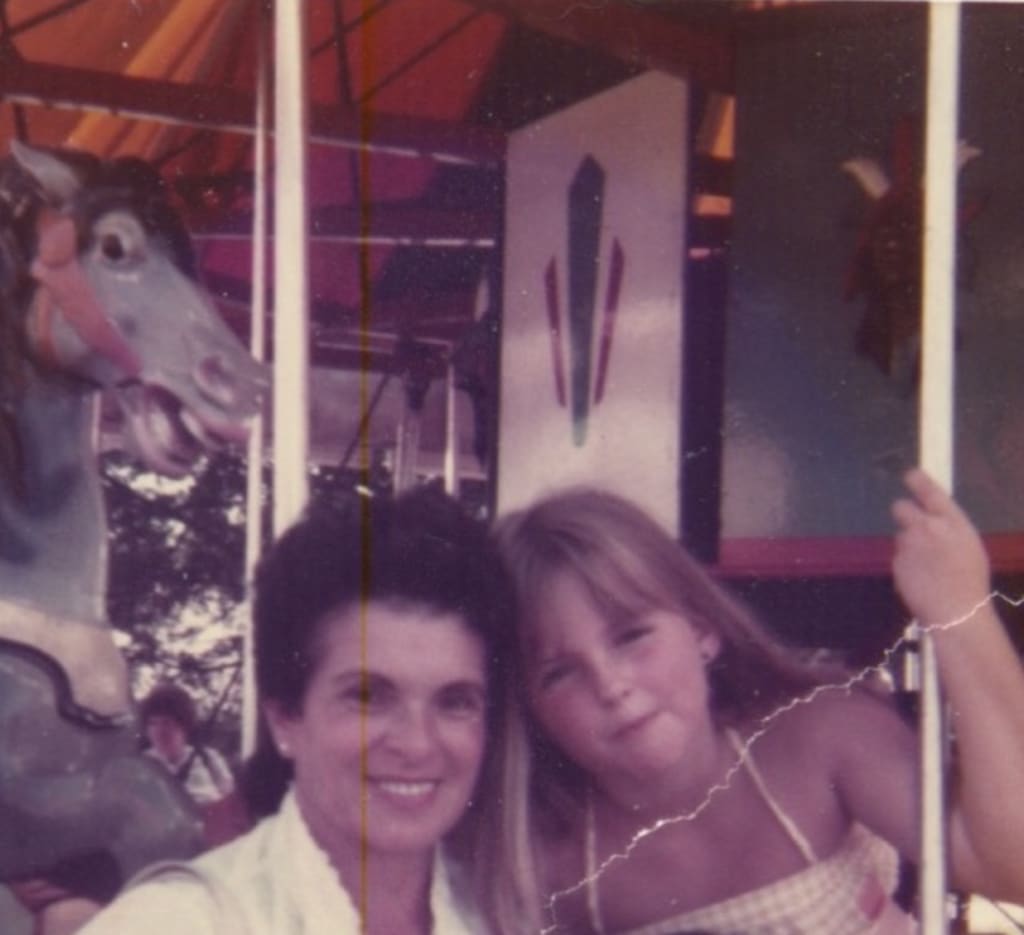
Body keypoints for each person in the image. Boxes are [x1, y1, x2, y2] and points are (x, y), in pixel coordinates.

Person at [494, 469, 1024, 934]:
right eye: (560, 673)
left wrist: (961, 612)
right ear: (532, 708)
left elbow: (1013, 866)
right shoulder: (549, 864)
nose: (610, 686)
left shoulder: (821, 739)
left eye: (631, 636)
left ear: (701, 629)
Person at [79, 486, 526, 935]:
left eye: (455, 702)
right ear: (284, 718)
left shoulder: (512, 919)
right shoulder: (178, 922)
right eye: (368, 697)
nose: (417, 743)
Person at [140, 684, 237, 810]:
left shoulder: (209, 759)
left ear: (184, 726)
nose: (159, 731)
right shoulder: (141, 766)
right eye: (152, 723)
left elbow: (231, 804)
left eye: (166, 723)